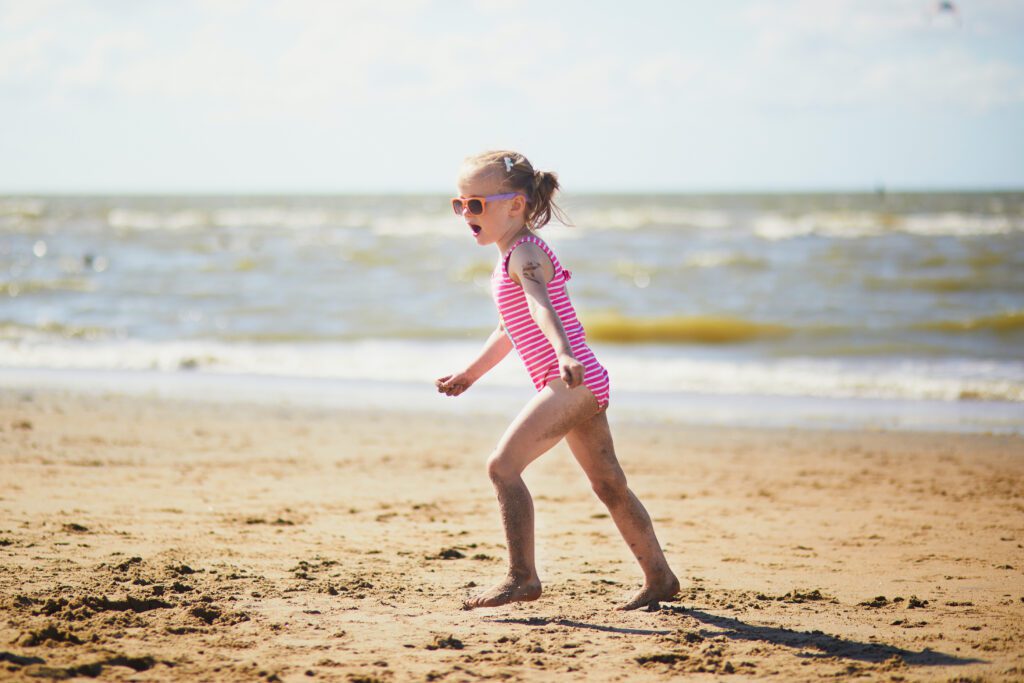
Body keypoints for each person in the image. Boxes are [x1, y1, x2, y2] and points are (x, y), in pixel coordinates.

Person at [436, 150, 679, 610]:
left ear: (517, 205)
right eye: (460, 204)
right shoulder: (508, 254)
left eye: (476, 204)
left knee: (502, 466)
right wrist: (470, 374)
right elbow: (509, 329)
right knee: (609, 485)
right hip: (580, 383)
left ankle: (521, 577)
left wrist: (565, 352)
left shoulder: (525, 253)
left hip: (569, 381)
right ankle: (660, 577)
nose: (466, 214)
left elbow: (539, 306)